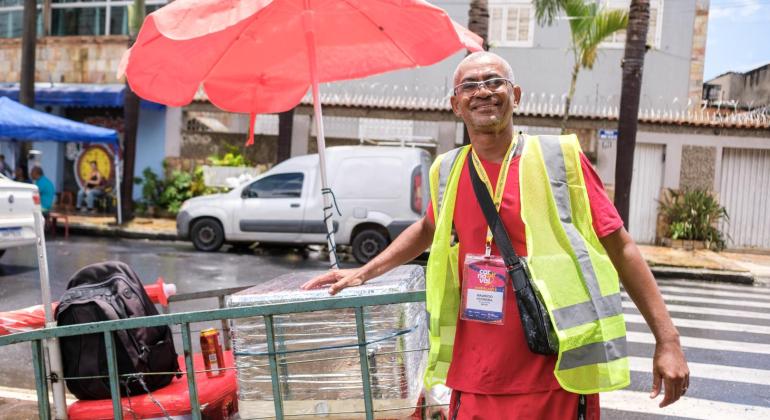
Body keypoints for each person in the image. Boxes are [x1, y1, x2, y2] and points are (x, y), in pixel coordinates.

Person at [302, 52, 689, 419]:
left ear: (515, 95)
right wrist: (361, 273)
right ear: (456, 105)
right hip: (475, 377)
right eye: (469, 86)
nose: (483, 91)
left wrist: (667, 340)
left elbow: (619, 245)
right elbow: (428, 229)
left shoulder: (559, 160)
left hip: (554, 374)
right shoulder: (447, 170)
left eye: (494, 81)